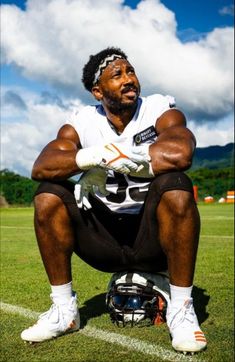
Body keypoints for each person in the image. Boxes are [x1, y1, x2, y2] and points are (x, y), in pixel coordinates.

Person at [21, 47, 207, 353]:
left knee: (175, 184)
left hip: (152, 239)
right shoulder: (82, 121)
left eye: (131, 71)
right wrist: (91, 157)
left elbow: (181, 152)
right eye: (117, 75)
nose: (128, 79)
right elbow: (42, 165)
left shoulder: (158, 108)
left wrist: (128, 159)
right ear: (97, 91)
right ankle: (64, 310)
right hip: (103, 240)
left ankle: (182, 310)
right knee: (48, 194)